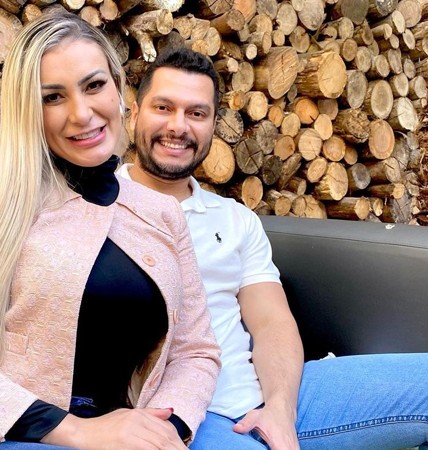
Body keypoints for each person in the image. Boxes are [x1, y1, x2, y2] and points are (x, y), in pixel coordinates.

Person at [0, 15, 220, 450]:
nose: (82, 114)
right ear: (30, 110)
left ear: (119, 89)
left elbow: (196, 352)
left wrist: (164, 430)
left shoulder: (162, 213)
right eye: (53, 97)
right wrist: (78, 430)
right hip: (29, 434)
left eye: (94, 85)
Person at [118, 47, 428, 450]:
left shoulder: (235, 219)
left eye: (196, 113)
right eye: (163, 107)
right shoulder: (95, 209)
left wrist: (280, 410)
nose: (178, 126)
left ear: (213, 125)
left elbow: (271, 324)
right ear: (134, 114)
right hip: (186, 415)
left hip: (276, 391)